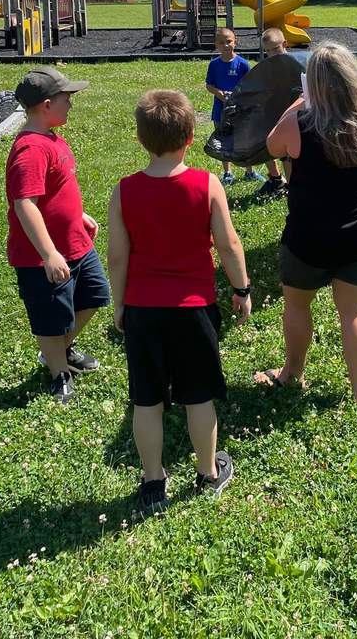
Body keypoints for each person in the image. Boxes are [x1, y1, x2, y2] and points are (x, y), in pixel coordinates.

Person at [108, 89, 251, 514]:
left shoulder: (125, 190)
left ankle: (154, 482)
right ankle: (207, 472)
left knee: (146, 399)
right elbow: (228, 245)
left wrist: (120, 305)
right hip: (194, 309)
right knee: (198, 395)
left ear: (140, 138)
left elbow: (118, 256)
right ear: (191, 136)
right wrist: (241, 289)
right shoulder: (207, 184)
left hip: (143, 310)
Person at [254, 42, 357, 403]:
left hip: (309, 235)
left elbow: (272, 146)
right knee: (355, 311)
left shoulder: (298, 122)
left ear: (311, 83)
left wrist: (301, 102)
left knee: (297, 305)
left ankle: (291, 373)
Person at [6, 66, 109, 406]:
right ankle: (58, 371)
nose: (71, 104)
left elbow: (55, 189)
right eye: (68, 98)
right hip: (43, 255)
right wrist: (49, 254)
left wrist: (77, 215)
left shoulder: (51, 136)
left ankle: (60, 351)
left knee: (95, 295)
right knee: (50, 320)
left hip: (76, 242)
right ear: (47, 104)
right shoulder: (31, 149)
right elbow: (25, 205)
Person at [205, 27, 264, 185]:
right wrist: (220, 94)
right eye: (221, 42)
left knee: (244, 140)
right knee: (224, 140)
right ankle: (227, 173)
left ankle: (249, 171)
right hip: (220, 110)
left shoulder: (243, 64)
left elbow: (250, 85)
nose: (226, 45)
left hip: (240, 109)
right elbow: (209, 85)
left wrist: (238, 96)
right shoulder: (214, 65)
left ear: (235, 42)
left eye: (229, 41)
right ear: (216, 45)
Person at [253, 27, 290, 201]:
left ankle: (292, 185)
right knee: (266, 146)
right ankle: (276, 179)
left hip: (291, 116)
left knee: (288, 154)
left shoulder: (294, 64)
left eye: (275, 49)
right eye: (267, 51)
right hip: (271, 114)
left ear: (285, 44)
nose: (272, 54)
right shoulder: (265, 68)